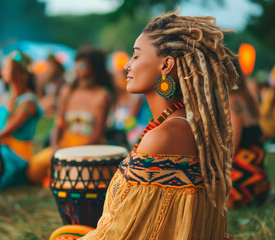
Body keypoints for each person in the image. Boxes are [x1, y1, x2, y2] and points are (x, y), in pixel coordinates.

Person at [51, 12, 238, 240]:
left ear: (166, 65)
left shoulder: (165, 136)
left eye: (136, 56)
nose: (127, 66)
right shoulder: (187, 123)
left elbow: (125, 232)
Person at [27, 46, 113, 185]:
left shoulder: (103, 95)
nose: (78, 68)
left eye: (83, 64)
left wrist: (72, 152)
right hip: (65, 144)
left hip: (89, 148)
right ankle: (54, 176)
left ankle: (54, 178)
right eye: (76, 64)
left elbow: (97, 134)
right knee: (34, 169)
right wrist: (55, 147)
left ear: (95, 67)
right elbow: (58, 123)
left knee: (75, 176)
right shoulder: (67, 91)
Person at [0, 51, 43, 189]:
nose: (1, 70)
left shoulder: (28, 101)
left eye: (6, 67)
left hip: (16, 156)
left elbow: (7, 130)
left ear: (17, 72)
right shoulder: (4, 97)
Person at [228, 60, 270, 209]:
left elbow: (232, 145)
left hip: (243, 188)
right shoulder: (247, 97)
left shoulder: (232, 102)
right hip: (259, 184)